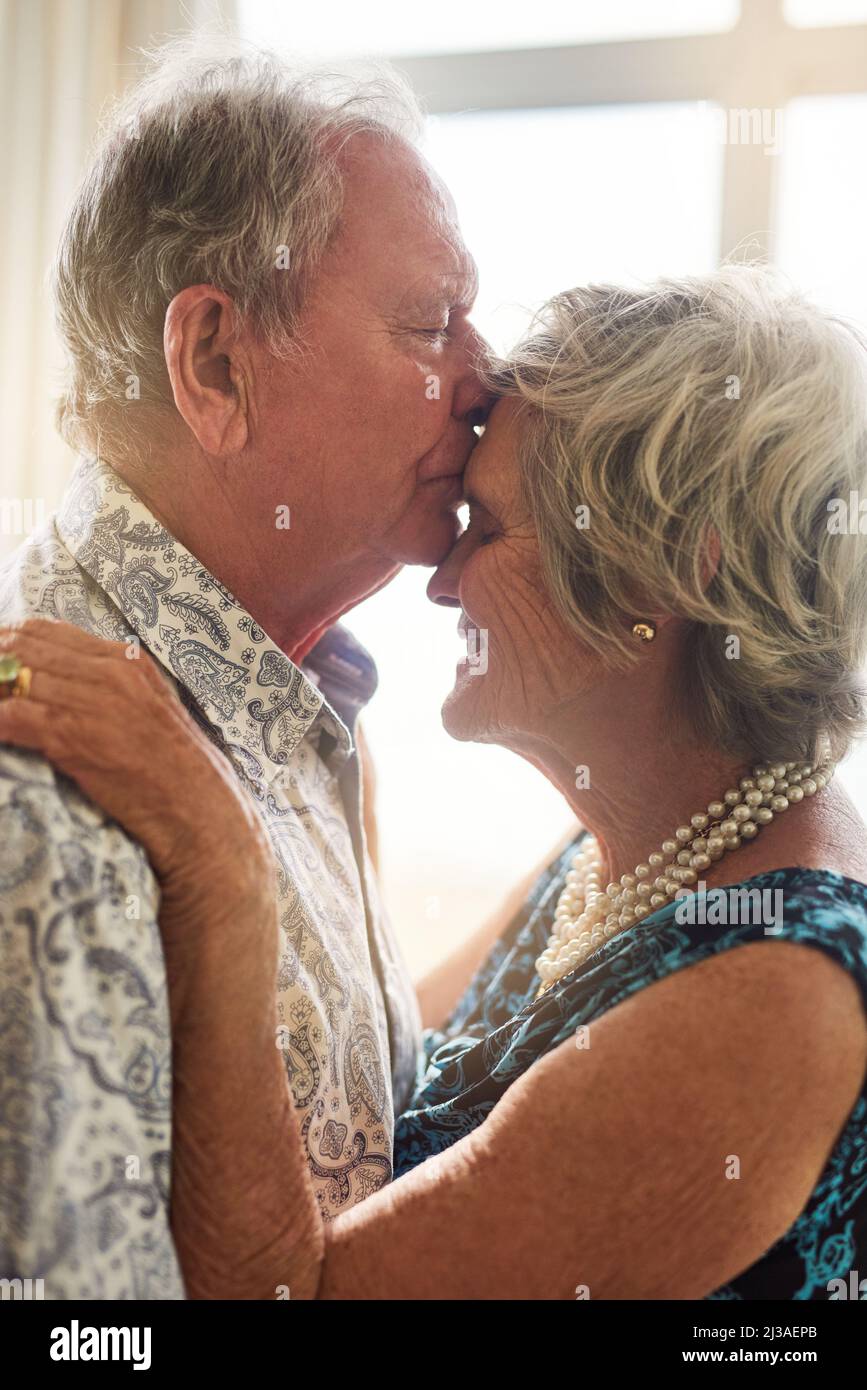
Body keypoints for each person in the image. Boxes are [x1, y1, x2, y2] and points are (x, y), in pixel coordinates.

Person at [4, 266, 867, 1299]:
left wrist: (220, 864)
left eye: (490, 529)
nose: (444, 579)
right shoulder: (622, 855)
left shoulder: (772, 1004)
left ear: (664, 574)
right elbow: (380, 1078)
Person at [0, 38, 492, 1297]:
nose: (487, 382)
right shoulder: (50, 796)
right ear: (215, 363)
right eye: (432, 324)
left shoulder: (294, 699)